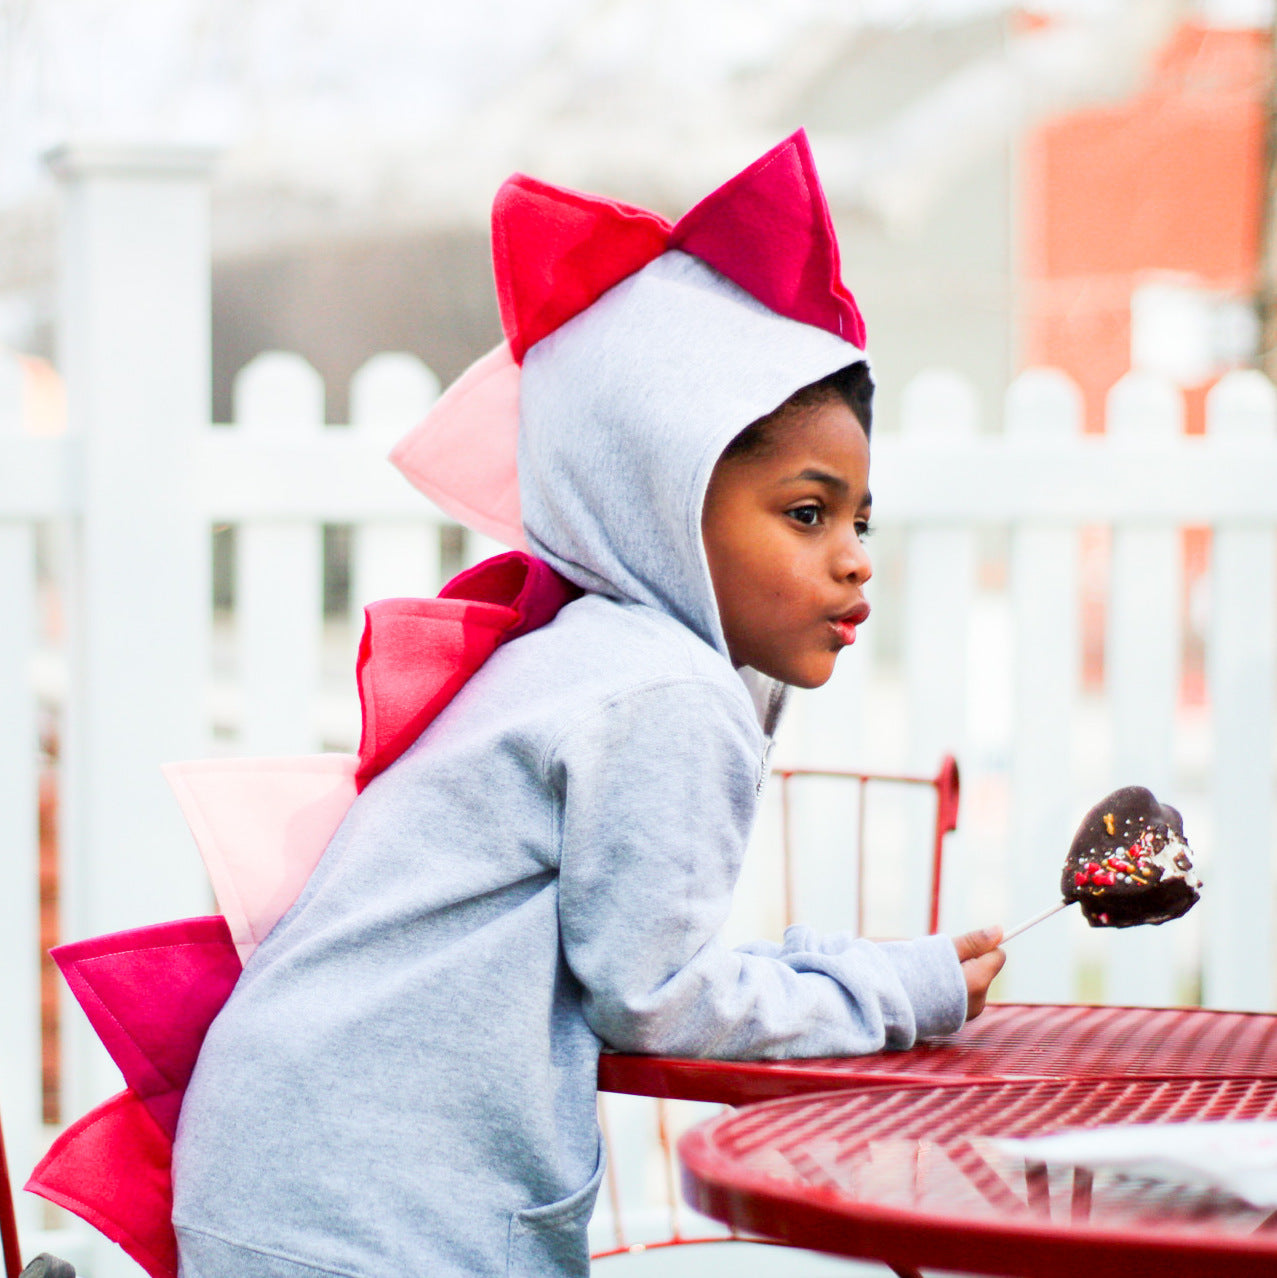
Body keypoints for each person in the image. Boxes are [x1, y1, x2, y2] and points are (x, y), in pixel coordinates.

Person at [171, 132, 1005, 1278]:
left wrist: (835, 967)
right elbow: (653, 999)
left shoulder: (590, 659)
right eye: (805, 514)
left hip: (288, 1167)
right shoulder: (662, 691)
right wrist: (889, 990)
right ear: (654, 501)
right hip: (374, 1215)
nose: (853, 558)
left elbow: (635, 961)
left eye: (859, 520)